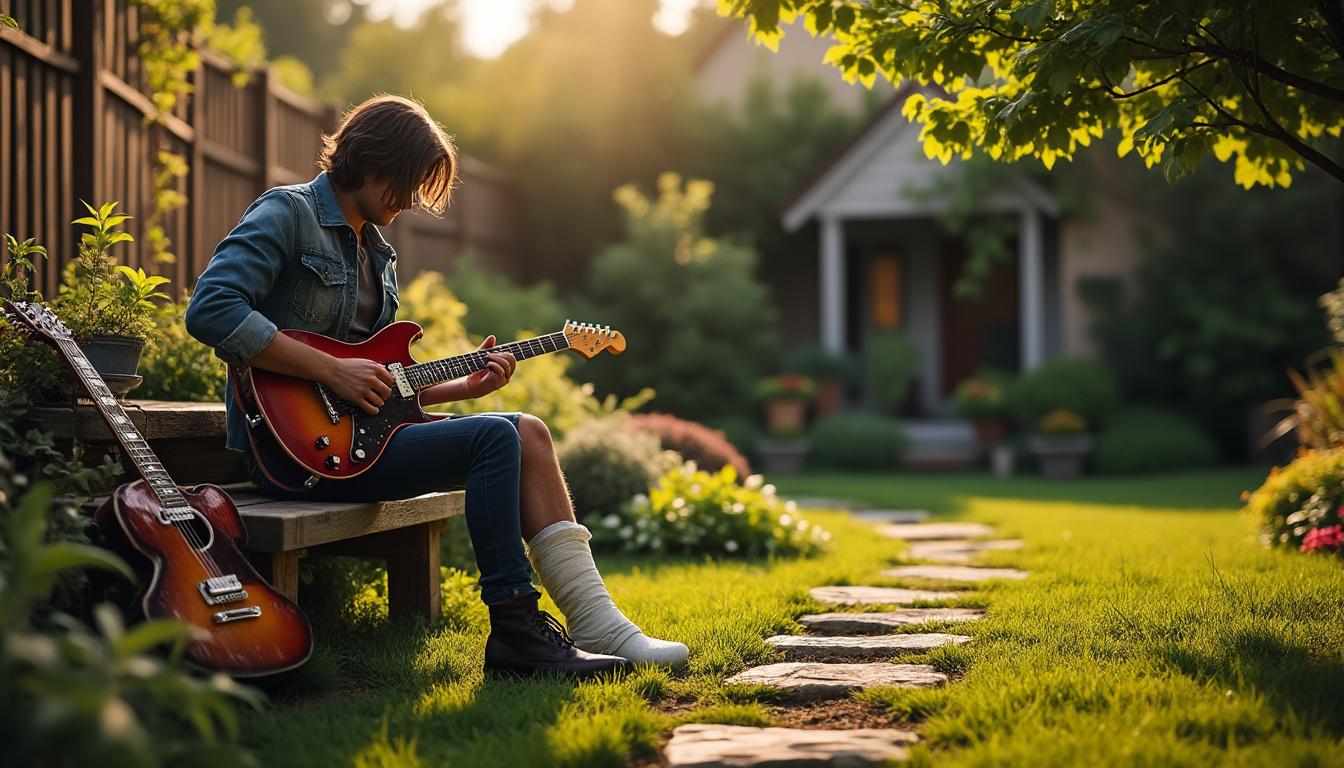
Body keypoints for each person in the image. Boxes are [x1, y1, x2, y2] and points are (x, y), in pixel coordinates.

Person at [184, 94, 687, 677]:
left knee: (526, 432)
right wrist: (329, 369)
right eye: (406, 181)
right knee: (495, 441)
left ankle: (599, 624)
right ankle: (517, 633)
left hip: (360, 444)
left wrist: (462, 390)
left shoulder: (379, 253)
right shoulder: (288, 214)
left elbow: (376, 390)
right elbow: (211, 309)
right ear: (368, 162)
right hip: (293, 454)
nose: (411, 199)